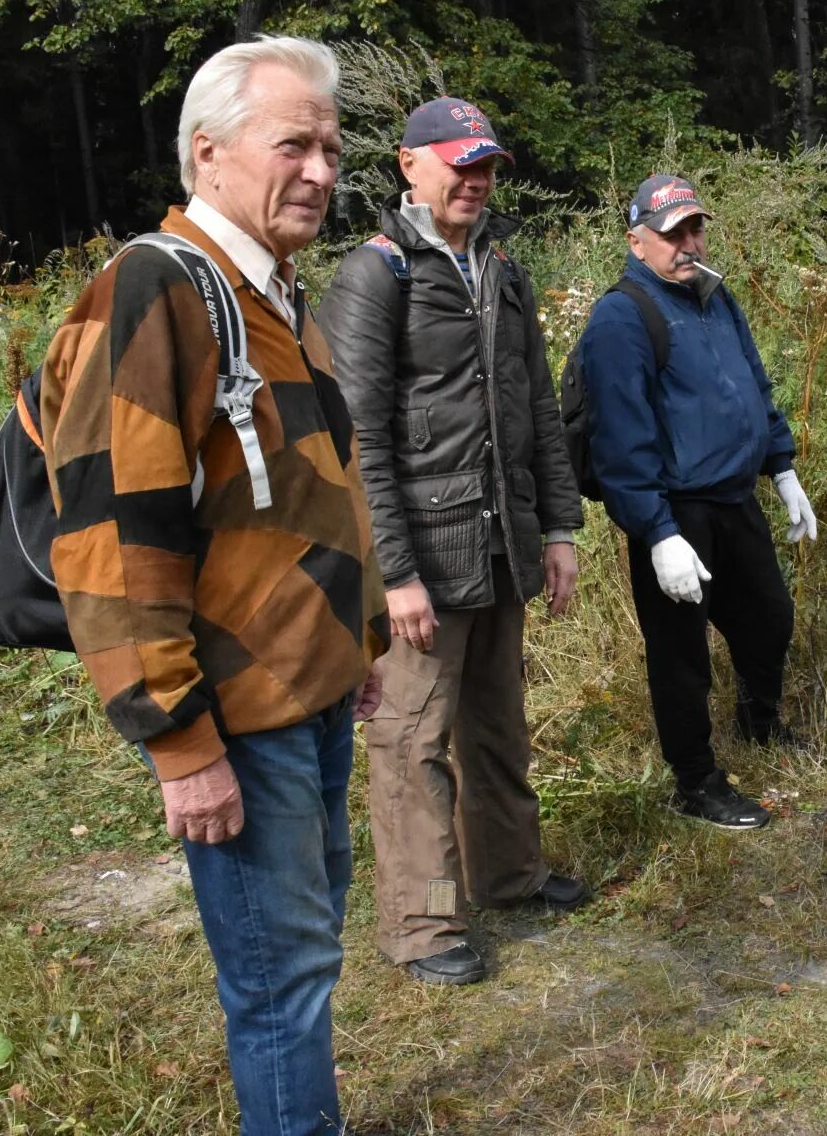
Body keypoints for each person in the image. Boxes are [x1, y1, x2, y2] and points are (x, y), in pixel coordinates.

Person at [40, 37, 388, 1135]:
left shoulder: (268, 290)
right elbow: (109, 539)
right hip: (239, 719)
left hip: (308, 693)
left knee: (307, 959)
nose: (325, 171)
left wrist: (358, 643)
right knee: (282, 990)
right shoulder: (154, 288)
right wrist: (181, 748)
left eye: (333, 147)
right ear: (210, 153)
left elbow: (295, 498)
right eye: (297, 143)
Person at [317, 97, 588, 987]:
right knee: (411, 739)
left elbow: (538, 409)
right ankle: (422, 923)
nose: (474, 180)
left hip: (503, 542)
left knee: (497, 724)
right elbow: (358, 439)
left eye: (485, 167)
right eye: (457, 163)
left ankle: (507, 875)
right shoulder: (376, 275)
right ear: (408, 165)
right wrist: (393, 572)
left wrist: (557, 528)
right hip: (422, 558)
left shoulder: (502, 272)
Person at [573, 174, 817, 830]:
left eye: (693, 228)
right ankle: (695, 782)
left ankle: (759, 724)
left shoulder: (714, 295)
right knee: (679, 654)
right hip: (675, 512)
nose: (687, 242)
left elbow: (752, 386)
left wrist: (782, 467)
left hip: (734, 498)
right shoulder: (621, 316)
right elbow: (620, 439)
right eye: (671, 232)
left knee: (769, 618)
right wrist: (656, 533)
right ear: (636, 240)